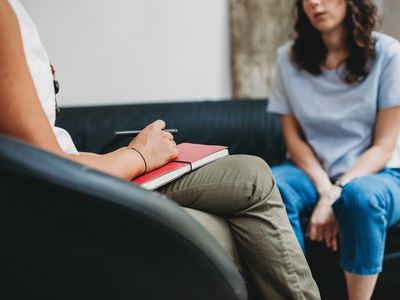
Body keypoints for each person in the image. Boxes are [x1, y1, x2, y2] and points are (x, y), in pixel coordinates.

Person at [0, 0, 320, 299]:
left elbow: (47, 147)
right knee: (231, 235)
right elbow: (46, 167)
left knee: (252, 173)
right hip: (68, 200)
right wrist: (139, 155)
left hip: (79, 175)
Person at [268, 0, 400, 299]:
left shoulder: (389, 54)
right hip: (310, 171)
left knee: (360, 197)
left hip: (379, 171)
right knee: (268, 186)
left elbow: (383, 146)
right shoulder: (287, 58)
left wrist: (338, 190)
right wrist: (325, 189)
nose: (315, 2)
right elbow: (295, 141)